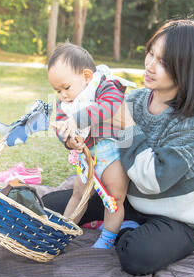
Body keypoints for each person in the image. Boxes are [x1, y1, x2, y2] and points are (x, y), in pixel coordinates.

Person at [43, 19, 194, 275]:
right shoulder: (134, 100)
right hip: (130, 199)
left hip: (172, 218)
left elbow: (154, 180)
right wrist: (71, 137)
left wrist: (128, 128)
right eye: (150, 54)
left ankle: (125, 229)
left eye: (163, 62)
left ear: (188, 69)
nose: (149, 65)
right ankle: (124, 219)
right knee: (51, 205)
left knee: (137, 256)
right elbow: (93, 130)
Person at [47, 42, 137, 249]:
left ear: (86, 76)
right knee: (78, 193)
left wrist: (78, 119)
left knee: (114, 197)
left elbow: (110, 105)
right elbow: (62, 124)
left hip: (112, 153)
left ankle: (107, 238)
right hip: (88, 157)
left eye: (66, 87)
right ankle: (63, 231)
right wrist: (69, 140)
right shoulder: (66, 103)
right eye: (57, 90)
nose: (63, 95)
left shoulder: (105, 85)